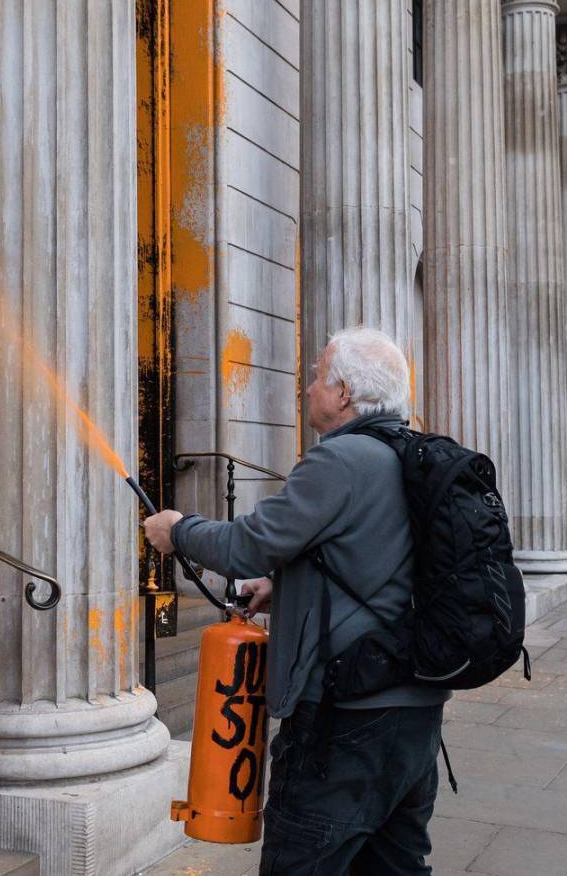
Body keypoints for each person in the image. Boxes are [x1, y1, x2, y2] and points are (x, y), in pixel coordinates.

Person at [145, 327, 448, 876]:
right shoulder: (407, 454)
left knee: (300, 862)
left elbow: (248, 544)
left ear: (346, 395)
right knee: (396, 866)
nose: (308, 387)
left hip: (346, 714)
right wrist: (283, 589)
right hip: (415, 712)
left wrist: (179, 529)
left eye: (318, 375)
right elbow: (374, 559)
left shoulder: (339, 461)